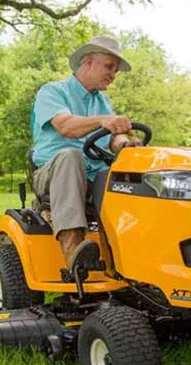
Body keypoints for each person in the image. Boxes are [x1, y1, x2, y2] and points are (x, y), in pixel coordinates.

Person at [30, 36, 141, 275]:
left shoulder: (103, 102)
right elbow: (66, 127)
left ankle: (131, 257)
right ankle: (74, 252)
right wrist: (103, 120)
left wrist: (126, 145)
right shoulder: (52, 92)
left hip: (93, 175)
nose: (114, 74)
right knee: (71, 156)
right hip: (52, 174)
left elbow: (113, 137)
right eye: (109, 66)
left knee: (125, 174)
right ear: (88, 62)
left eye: (116, 70)